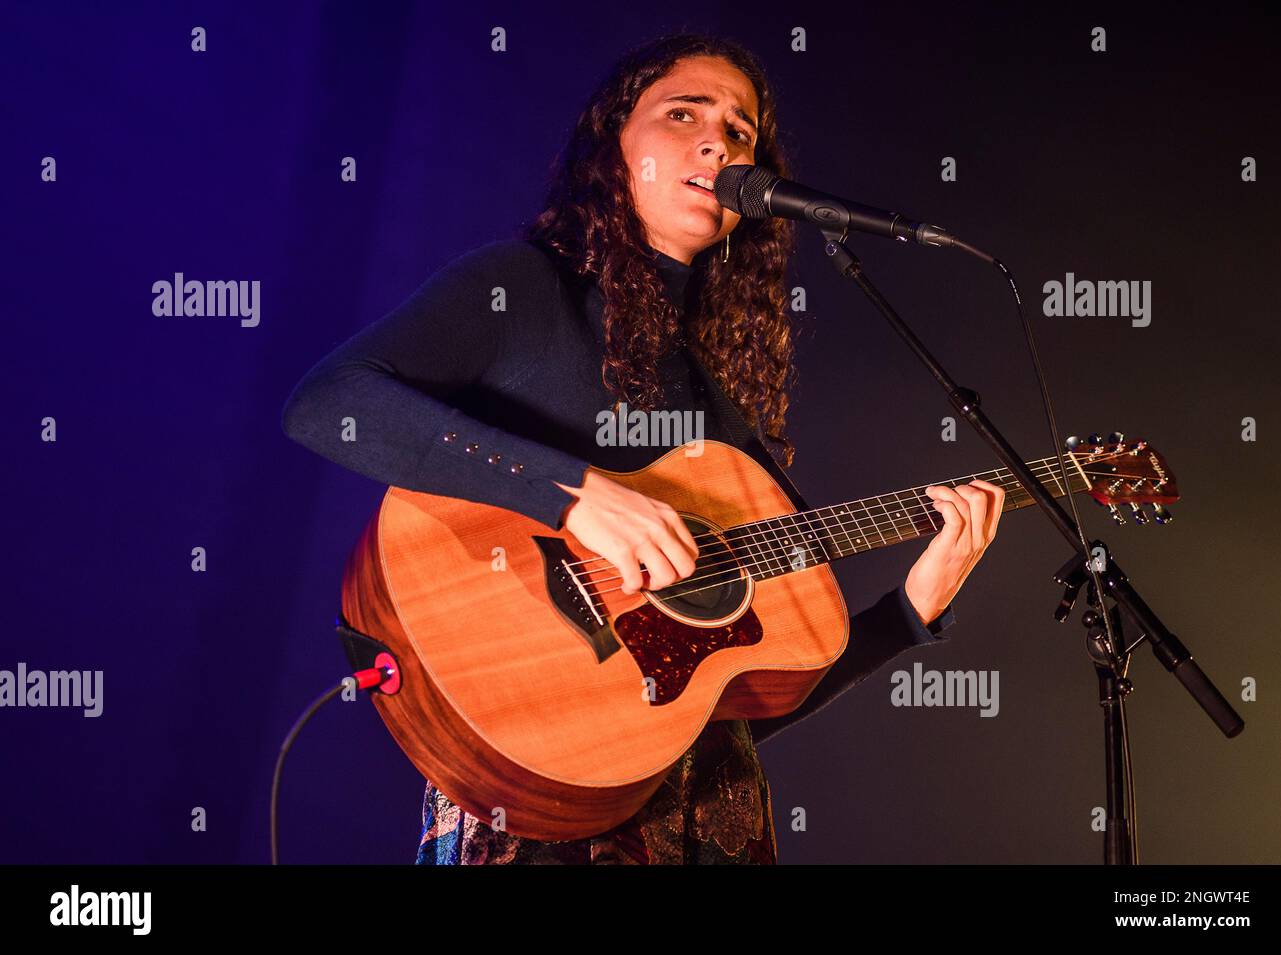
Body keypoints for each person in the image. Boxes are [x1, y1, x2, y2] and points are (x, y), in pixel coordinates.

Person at [280, 33, 1004, 865]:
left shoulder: (725, 425)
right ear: (611, 141)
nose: (720, 141)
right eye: (684, 112)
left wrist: (910, 613)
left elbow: (729, 706)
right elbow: (327, 403)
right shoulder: (524, 287)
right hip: (534, 824)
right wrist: (576, 495)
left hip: (712, 829)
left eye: (741, 131)